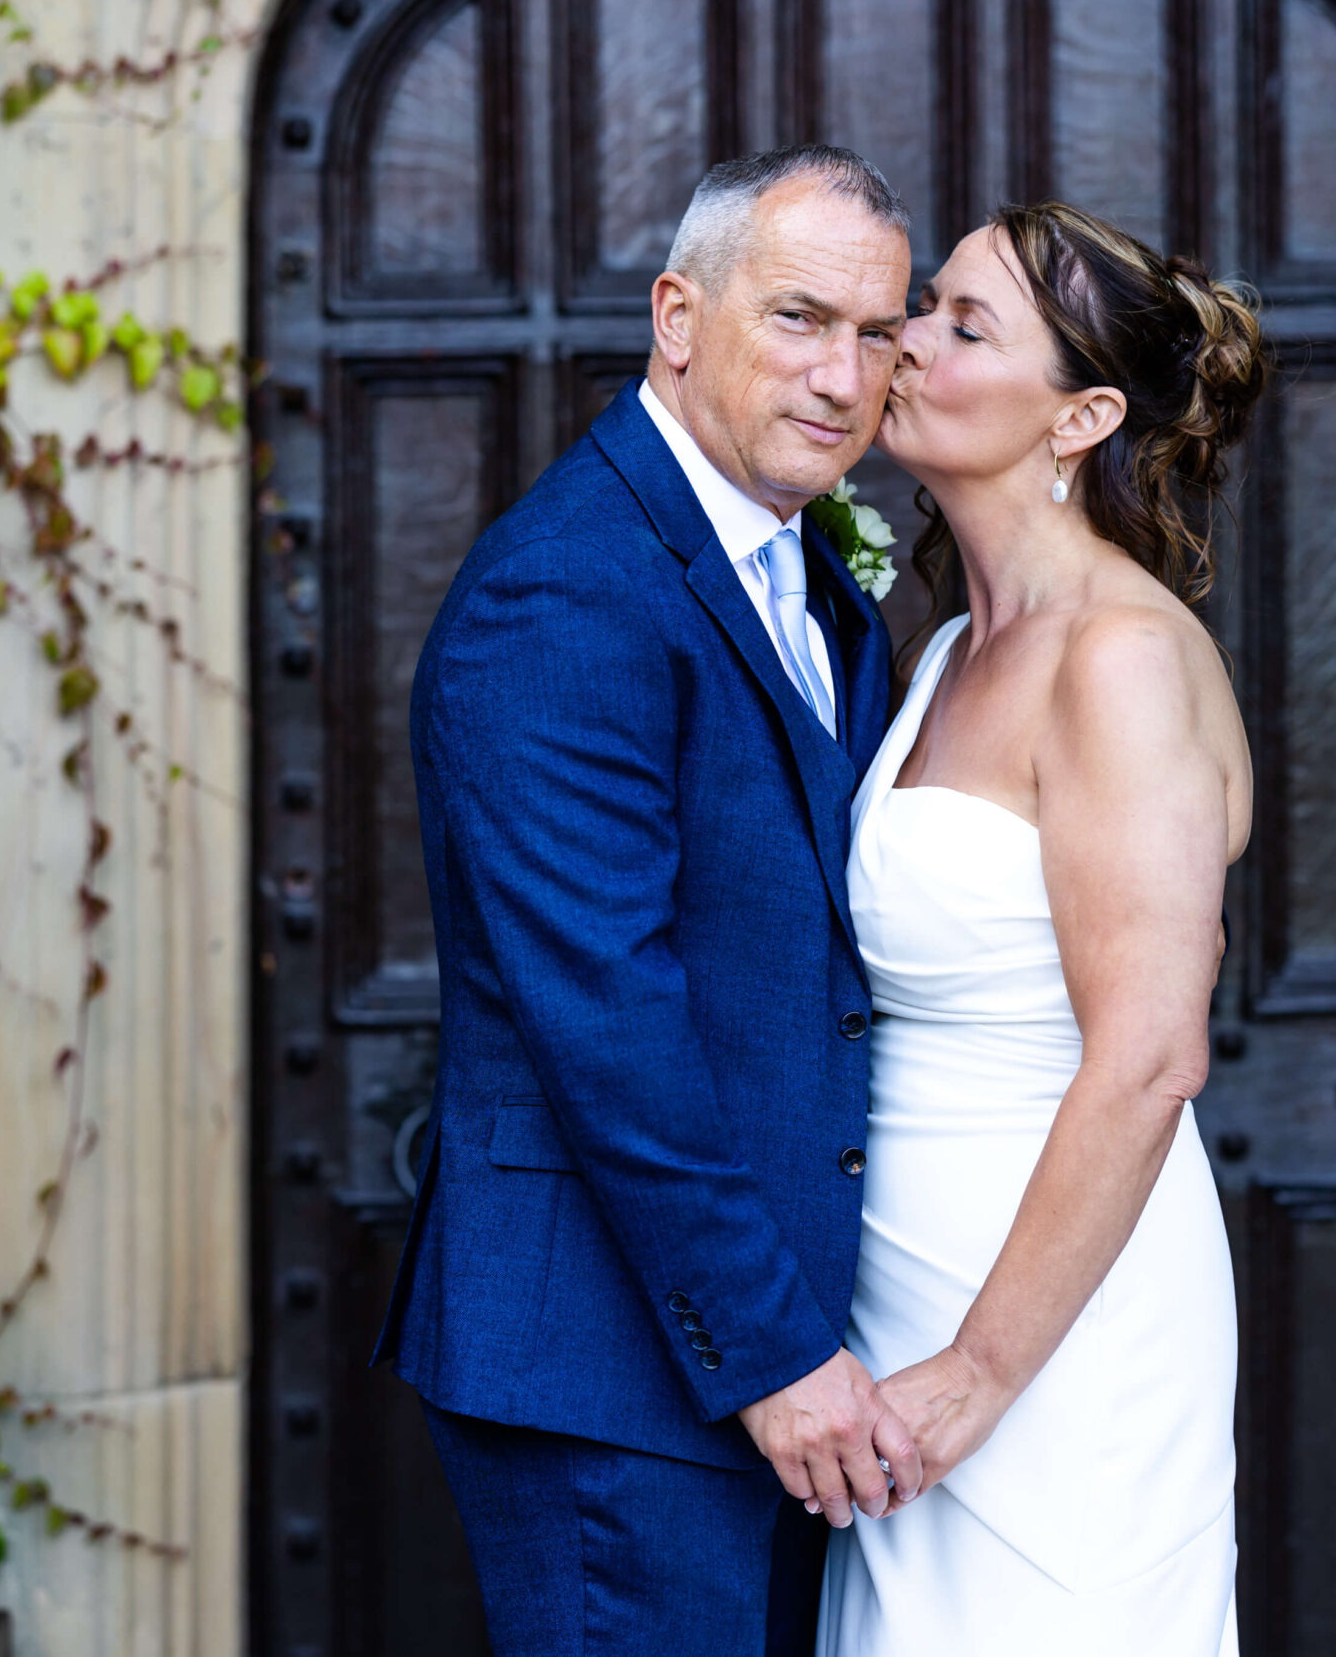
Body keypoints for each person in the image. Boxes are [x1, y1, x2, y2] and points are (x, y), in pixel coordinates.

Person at [379, 144, 921, 1657]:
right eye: (801, 318)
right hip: (622, 1373)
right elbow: (609, 1021)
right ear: (680, 317)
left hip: (765, 1363)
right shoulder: (565, 590)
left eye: (878, 335)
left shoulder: (816, 582)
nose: (843, 376)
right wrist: (774, 1355)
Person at [818, 202, 1265, 1654]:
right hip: (898, 1284)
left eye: (963, 324)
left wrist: (979, 1373)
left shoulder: (1122, 658)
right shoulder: (949, 646)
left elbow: (1148, 1058)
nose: (906, 344)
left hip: (1049, 1326)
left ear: (1080, 415)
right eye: (925, 305)